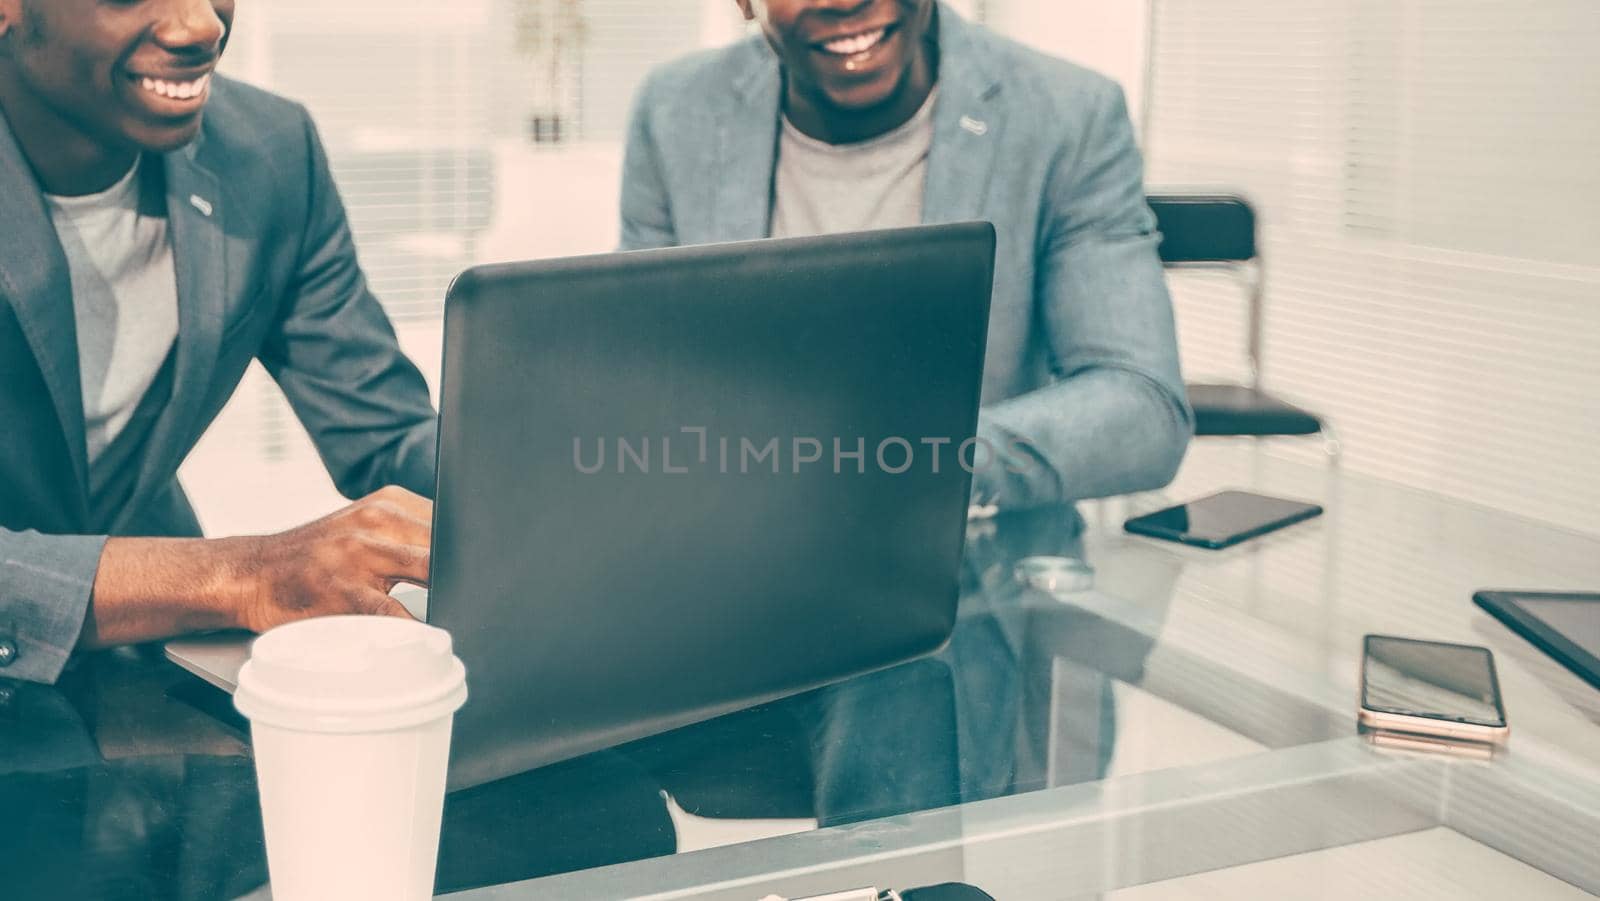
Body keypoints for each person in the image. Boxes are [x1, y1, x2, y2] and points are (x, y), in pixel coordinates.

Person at [0, 0, 438, 685]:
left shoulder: (270, 151)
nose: (201, 23)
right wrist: (247, 573)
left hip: (147, 675)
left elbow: (387, 434)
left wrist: (578, 480)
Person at [619, 0, 1192, 513]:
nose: (844, 3)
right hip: (727, 542)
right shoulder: (675, 110)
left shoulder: (1068, 116)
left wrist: (907, 464)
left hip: (972, 559)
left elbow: (1142, 407)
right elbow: (636, 370)